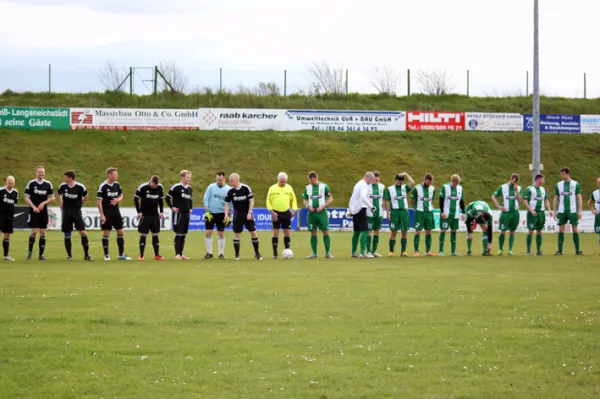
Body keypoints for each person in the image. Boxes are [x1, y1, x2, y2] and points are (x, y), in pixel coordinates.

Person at [224, 173, 262, 260]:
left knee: (253, 232)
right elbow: (226, 203)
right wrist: (226, 215)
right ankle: (237, 255)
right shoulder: (230, 191)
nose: (230, 183)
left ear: (237, 180)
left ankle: (257, 253)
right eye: (229, 181)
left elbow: (251, 201)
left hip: (247, 213)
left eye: (231, 181)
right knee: (237, 233)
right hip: (238, 214)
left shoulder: (245, 188)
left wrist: (249, 213)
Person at [57, 170, 92, 261]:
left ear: (71, 178)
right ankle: (69, 255)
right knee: (67, 234)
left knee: (83, 232)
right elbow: (58, 194)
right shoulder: (63, 186)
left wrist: (80, 204)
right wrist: (61, 203)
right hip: (67, 212)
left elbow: (86, 196)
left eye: (65, 177)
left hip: (76, 212)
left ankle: (87, 254)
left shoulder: (80, 187)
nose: (64, 179)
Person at [98, 167, 131, 261]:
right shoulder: (103, 186)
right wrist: (101, 214)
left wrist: (118, 200)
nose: (117, 176)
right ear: (109, 175)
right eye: (115, 174)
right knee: (106, 232)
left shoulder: (117, 185)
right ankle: (106, 255)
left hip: (116, 212)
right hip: (107, 213)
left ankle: (121, 255)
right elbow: (99, 201)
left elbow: (121, 195)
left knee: (120, 231)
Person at [24, 166, 55, 261]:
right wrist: (33, 207)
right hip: (34, 211)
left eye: (42, 172)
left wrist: (44, 203)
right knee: (34, 232)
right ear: (36, 173)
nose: (41, 174)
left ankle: (41, 255)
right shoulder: (31, 183)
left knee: (42, 232)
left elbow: (52, 197)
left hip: (43, 212)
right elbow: (26, 197)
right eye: (39, 172)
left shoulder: (48, 184)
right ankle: (29, 252)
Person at [302, 171, 334, 259]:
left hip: (322, 213)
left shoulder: (324, 187)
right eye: (309, 181)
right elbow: (304, 199)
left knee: (325, 231)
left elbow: (330, 198)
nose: (311, 182)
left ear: (316, 178)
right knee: (313, 232)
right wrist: (308, 206)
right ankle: (314, 253)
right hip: (312, 213)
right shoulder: (307, 188)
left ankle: (327, 253)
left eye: (312, 180)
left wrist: (323, 206)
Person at [266, 172, 298, 259]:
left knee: (287, 232)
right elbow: (268, 201)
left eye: (285, 181)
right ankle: (275, 253)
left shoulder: (289, 188)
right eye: (282, 181)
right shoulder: (272, 188)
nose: (283, 183)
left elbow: (294, 199)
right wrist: (272, 212)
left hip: (286, 212)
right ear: (278, 180)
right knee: (276, 232)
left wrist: (294, 210)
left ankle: (287, 251)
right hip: (276, 213)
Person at [134, 175, 165, 261]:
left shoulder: (160, 187)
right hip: (145, 215)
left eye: (156, 185)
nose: (155, 187)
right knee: (143, 234)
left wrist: (161, 211)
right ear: (151, 181)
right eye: (154, 185)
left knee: (155, 234)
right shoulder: (143, 187)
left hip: (155, 215)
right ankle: (141, 255)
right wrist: (139, 211)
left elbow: (161, 200)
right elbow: (136, 199)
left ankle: (157, 255)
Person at [553, 167, 583, 255]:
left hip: (572, 210)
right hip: (562, 211)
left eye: (563, 174)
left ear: (568, 174)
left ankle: (577, 250)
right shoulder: (558, 185)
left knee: (575, 229)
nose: (562, 176)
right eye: (561, 174)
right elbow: (556, 198)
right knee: (561, 229)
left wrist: (580, 210)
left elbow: (579, 197)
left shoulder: (575, 184)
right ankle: (559, 251)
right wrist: (555, 211)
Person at [384, 173, 415, 257]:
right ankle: (391, 251)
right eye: (398, 181)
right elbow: (386, 202)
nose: (399, 183)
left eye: (401, 182)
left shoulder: (404, 188)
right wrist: (387, 213)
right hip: (395, 212)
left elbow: (412, 183)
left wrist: (406, 174)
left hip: (404, 212)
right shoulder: (390, 189)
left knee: (404, 232)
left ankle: (403, 251)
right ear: (395, 180)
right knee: (393, 232)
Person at [491, 173, 522, 256]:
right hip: (506, 213)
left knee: (512, 232)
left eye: (515, 181)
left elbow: (520, 200)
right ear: (511, 179)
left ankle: (510, 250)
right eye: (513, 180)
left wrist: (516, 191)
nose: (513, 182)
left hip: (515, 213)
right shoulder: (503, 187)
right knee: (503, 231)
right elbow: (493, 196)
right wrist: (499, 206)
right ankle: (500, 249)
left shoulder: (519, 188)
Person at [203, 171, 231, 260]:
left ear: (224, 179)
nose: (218, 181)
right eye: (217, 179)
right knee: (208, 232)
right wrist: (207, 210)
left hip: (221, 213)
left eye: (220, 180)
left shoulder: (228, 189)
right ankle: (209, 253)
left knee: (221, 233)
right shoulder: (211, 187)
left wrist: (229, 214)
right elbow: (206, 198)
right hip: (211, 213)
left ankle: (221, 253)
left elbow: (230, 203)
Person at [167, 170, 194, 260]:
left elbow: (190, 200)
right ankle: (177, 254)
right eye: (187, 177)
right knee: (178, 233)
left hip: (186, 214)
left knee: (183, 234)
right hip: (179, 214)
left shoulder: (190, 188)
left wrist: (190, 208)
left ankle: (181, 254)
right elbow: (167, 198)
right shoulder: (176, 187)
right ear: (182, 177)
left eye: (190, 178)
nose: (189, 179)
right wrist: (172, 207)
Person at [523, 174, 552, 256]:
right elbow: (525, 201)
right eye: (542, 180)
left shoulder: (542, 189)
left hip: (541, 213)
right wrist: (531, 210)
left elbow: (546, 200)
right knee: (531, 230)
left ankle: (538, 250)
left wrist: (549, 210)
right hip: (533, 213)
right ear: (538, 180)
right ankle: (528, 250)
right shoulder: (530, 189)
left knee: (539, 231)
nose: (543, 181)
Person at [348, 172, 375, 259]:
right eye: (371, 180)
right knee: (364, 230)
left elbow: (352, 197)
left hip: (355, 210)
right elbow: (363, 197)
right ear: (368, 178)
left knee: (356, 231)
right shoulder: (364, 185)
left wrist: (350, 209)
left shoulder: (358, 184)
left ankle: (353, 251)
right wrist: (371, 206)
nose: (371, 182)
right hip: (361, 209)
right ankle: (363, 252)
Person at [438, 174, 465, 256]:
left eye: (457, 184)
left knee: (454, 231)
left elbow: (461, 201)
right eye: (454, 183)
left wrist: (463, 212)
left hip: (456, 214)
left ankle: (453, 251)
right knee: (443, 230)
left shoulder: (460, 188)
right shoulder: (445, 187)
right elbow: (441, 200)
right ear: (452, 181)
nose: (456, 185)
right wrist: (442, 211)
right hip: (446, 213)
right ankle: (441, 251)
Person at [411, 173, 436, 257]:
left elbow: (432, 199)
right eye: (428, 182)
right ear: (425, 180)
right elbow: (412, 199)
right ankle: (416, 251)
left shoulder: (432, 189)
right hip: (420, 212)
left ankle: (428, 251)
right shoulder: (417, 188)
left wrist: (430, 207)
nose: (429, 184)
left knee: (429, 232)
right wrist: (416, 208)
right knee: (418, 231)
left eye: (430, 183)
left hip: (428, 212)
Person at [366, 171, 385, 257]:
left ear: (379, 178)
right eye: (374, 178)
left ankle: (374, 251)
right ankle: (368, 251)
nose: (376, 180)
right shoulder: (367, 187)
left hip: (379, 213)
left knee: (377, 231)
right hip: (370, 213)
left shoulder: (382, 187)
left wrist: (383, 205)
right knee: (369, 231)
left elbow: (384, 198)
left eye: (377, 178)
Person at [0, 176, 18, 262]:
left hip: (9, 216)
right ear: (6, 182)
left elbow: (15, 203)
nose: (10, 185)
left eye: (12, 183)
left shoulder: (15, 192)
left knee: (7, 235)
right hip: (1, 215)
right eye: (9, 183)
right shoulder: (1, 191)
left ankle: (6, 255)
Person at [588, 177, 600, 253]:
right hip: (599, 215)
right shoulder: (595, 193)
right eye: (599, 182)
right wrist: (593, 211)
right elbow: (589, 202)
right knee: (599, 233)